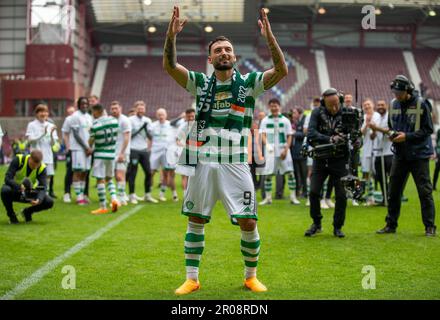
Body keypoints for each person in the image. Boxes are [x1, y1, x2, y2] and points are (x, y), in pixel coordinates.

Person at [163, 6, 287, 294]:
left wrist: (269, 36)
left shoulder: (248, 84)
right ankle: (192, 279)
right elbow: (170, 67)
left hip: (235, 162)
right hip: (203, 162)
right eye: (218, 50)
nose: (224, 53)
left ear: (234, 56)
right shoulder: (200, 83)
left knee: (248, 219)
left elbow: (282, 70)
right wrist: (171, 36)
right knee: (196, 219)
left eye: (228, 49)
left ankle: (250, 276)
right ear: (210, 58)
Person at [377, 75, 436, 236]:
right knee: (393, 191)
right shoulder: (393, 104)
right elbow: (391, 126)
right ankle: (391, 225)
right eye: (394, 91)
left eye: (399, 92)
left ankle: (429, 227)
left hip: (419, 155)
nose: (396, 95)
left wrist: (407, 137)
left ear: (408, 90)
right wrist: (392, 134)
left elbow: (427, 130)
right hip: (400, 155)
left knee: (424, 192)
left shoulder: (422, 104)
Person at [305, 88, 361, 238]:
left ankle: (338, 227)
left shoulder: (348, 113)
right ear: (324, 103)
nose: (335, 108)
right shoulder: (316, 113)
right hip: (321, 158)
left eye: (337, 104)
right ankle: (316, 223)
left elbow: (357, 135)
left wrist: (357, 142)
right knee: (314, 192)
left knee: (341, 195)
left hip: (340, 160)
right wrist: (330, 139)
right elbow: (311, 133)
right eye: (331, 105)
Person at [258, 98, 299, 205]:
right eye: (271, 105)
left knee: (290, 173)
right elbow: (262, 134)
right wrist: (267, 145)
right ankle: (268, 198)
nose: (274, 107)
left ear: (279, 106)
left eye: (275, 105)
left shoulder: (285, 120)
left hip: (283, 150)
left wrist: (286, 150)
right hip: (270, 152)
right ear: (269, 107)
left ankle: (293, 197)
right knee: (268, 175)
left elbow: (289, 136)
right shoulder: (265, 120)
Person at [1, 150, 54, 223]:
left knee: (49, 201)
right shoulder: (18, 160)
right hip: (16, 191)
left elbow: (43, 187)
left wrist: (39, 199)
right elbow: (7, 179)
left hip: (30, 192)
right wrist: (19, 186)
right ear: (30, 158)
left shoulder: (42, 168)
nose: (34, 167)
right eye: (33, 164)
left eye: (37, 165)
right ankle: (12, 216)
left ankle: (27, 212)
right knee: (4, 190)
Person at [89, 104, 120, 214]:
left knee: (100, 179)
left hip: (100, 154)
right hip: (111, 154)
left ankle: (103, 206)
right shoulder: (114, 121)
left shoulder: (95, 125)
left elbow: (91, 141)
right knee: (109, 178)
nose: (92, 114)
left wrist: (89, 145)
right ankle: (114, 199)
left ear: (97, 112)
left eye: (93, 112)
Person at [62, 97, 93, 205]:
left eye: (86, 103)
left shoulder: (89, 117)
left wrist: (91, 147)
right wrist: (86, 147)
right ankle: (79, 197)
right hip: (78, 149)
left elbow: (91, 134)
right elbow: (75, 134)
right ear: (78, 105)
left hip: (88, 149)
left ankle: (83, 196)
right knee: (77, 171)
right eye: (82, 103)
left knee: (85, 172)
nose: (84, 105)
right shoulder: (75, 116)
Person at [25, 104, 59, 199]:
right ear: (36, 113)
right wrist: (42, 134)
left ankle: (45, 195)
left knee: (47, 176)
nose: (43, 114)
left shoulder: (51, 125)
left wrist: (52, 135)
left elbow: (53, 144)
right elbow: (30, 140)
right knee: (35, 176)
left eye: (45, 111)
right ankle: (34, 195)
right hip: (36, 155)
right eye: (41, 111)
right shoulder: (31, 125)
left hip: (47, 155)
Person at [127, 101, 158, 204]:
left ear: (145, 109)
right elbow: (129, 136)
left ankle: (147, 195)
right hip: (133, 149)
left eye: (142, 109)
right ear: (135, 109)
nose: (141, 110)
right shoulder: (130, 120)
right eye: (139, 109)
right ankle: (131, 195)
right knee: (133, 173)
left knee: (149, 172)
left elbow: (150, 137)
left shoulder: (148, 120)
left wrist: (147, 131)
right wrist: (141, 128)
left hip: (144, 150)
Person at [149, 108, 179, 202]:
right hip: (155, 152)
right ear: (156, 116)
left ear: (166, 115)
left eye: (162, 114)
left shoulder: (171, 126)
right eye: (159, 114)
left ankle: (170, 194)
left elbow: (176, 139)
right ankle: (148, 194)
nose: (161, 116)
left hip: (167, 153)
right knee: (150, 173)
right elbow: (148, 137)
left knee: (168, 174)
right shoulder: (152, 126)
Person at [369, 100, 393, 205]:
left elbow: (390, 131)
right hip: (379, 153)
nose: (380, 106)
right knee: (379, 177)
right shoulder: (376, 118)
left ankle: (392, 198)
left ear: (386, 105)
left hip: (389, 152)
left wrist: (376, 128)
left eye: (382, 105)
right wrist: (373, 130)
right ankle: (385, 198)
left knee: (392, 177)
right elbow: (371, 137)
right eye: (378, 105)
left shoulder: (390, 117)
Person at [110, 101, 131, 206]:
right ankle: (121, 195)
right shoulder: (110, 120)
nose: (114, 110)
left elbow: (127, 137)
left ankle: (122, 198)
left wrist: (122, 153)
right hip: (112, 152)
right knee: (115, 175)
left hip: (122, 152)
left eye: (116, 108)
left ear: (120, 108)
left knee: (120, 175)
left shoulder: (124, 120)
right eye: (112, 108)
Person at [360, 99, 381, 205]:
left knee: (377, 173)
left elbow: (374, 134)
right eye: (365, 105)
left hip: (377, 148)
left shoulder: (377, 116)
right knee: (366, 173)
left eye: (368, 104)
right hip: (366, 148)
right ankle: (370, 197)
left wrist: (372, 127)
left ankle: (384, 195)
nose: (367, 106)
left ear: (372, 105)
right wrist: (366, 123)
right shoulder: (363, 117)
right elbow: (361, 133)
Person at [176, 108, 196, 191]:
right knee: (185, 175)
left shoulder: (200, 125)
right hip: (187, 153)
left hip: (199, 153)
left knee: (197, 175)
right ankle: (185, 194)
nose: (191, 118)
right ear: (186, 117)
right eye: (189, 117)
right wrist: (184, 146)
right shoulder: (183, 127)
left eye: (192, 116)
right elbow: (177, 140)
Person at [290, 107, 307, 198]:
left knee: (303, 173)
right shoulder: (294, 122)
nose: (293, 115)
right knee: (296, 174)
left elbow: (305, 134)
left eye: (294, 113)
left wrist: (294, 133)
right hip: (294, 152)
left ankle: (305, 192)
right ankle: (297, 191)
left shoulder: (304, 121)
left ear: (299, 113)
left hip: (301, 152)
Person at [62, 105, 77, 203]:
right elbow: (65, 133)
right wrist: (67, 147)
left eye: (72, 111)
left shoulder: (82, 118)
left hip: (81, 149)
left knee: (84, 172)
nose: (71, 114)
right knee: (69, 171)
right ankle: (67, 193)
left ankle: (84, 194)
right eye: (69, 112)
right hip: (71, 149)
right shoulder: (68, 120)